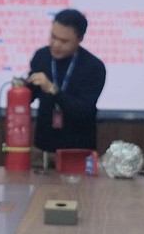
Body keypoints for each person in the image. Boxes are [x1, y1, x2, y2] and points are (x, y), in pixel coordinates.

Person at [25, 8, 107, 159]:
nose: (56, 44)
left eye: (64, 41)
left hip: (77, 151)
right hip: (42, 148)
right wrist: (23, 87)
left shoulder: (94, 67)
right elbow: (31, 95)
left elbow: (83, 111)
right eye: (53, 36)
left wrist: (53, 89)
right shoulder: (41, 56)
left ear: (80, 39)